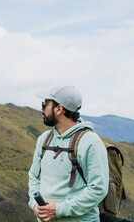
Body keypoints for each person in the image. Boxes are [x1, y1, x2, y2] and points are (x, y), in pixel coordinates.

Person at [28, 85, 109, 222]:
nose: (42, 109)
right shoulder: (44, 139)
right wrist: (34, 204)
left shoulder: (90, 142)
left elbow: (98, 189)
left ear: (59, 109)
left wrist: (59, 210)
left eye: (45, 104)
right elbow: (34, 176)